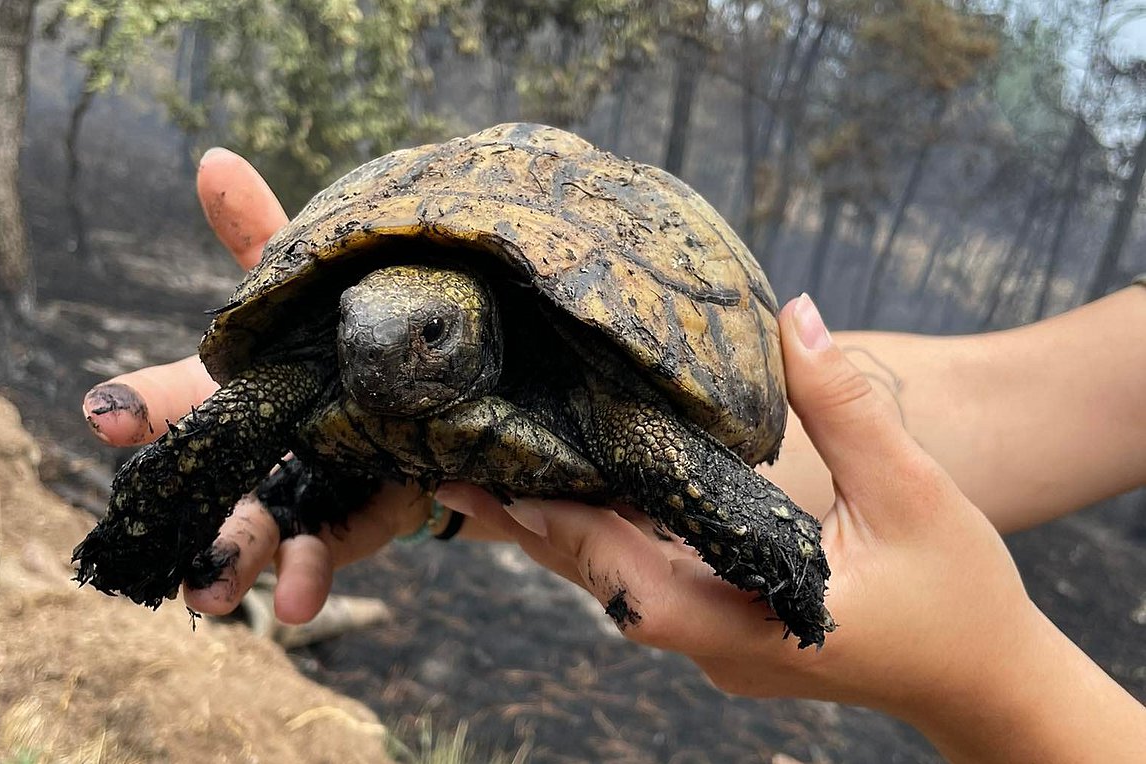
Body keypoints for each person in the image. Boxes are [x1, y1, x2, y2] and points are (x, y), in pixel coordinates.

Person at [83, 148, 1146, 761]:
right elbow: (1040, 396)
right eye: (355, 329)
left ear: (483, 331)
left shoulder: (590, 380)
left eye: (427, 339)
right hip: (471, 419)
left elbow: (656, 434)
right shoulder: (363, 337)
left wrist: (983, 670)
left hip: (584, 385)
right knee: (235, 421)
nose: (373, 355)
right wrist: (159, 515)